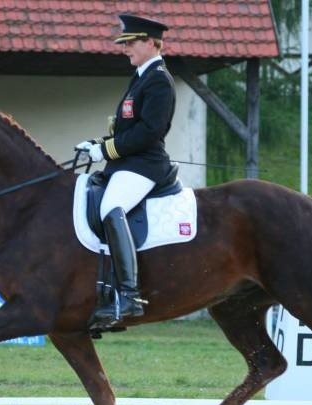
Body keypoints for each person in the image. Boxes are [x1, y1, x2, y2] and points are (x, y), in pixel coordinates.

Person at [75, 14, 176, 325]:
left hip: (145, 165)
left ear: (150, 42)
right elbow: (127, 128)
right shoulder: (142, 76)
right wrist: (98, 143)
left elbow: (149, 132)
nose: (126, 48)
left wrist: (105, 149)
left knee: (111, 206)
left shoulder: (159, 78)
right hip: (127, 163)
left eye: (131, 43)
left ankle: (130, 295)